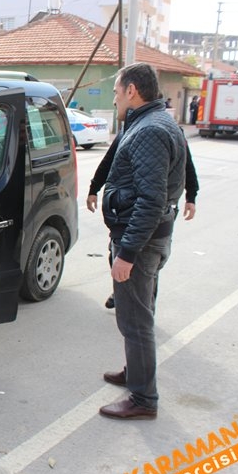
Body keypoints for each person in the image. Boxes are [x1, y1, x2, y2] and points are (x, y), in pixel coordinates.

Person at [97, 63, 187, 420]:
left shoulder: (150, 130)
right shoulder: (157, 122)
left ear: (132, 90)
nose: (115, 98)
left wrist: (127, 254)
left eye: (117, 92)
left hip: (141, 242)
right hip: (153, 236)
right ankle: (135, 373)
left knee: (135, 320)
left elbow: (151, 199)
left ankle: (143, 399)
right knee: (138, 314)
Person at [87, 125, 199, 309]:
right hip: (127, 211)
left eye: (118, 94)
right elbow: (109, 161)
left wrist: (191, 196)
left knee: (149, 266)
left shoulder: (168, 132)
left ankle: (145, 309)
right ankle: (123, 290)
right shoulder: (129, 130)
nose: (116, 101)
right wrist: (94, 188)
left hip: (157, 212)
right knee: (117, 255)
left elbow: (186, 164)